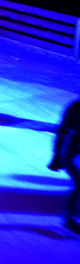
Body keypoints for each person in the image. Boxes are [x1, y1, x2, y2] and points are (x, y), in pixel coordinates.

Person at [50, 96, 80, 233]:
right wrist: (56, 156)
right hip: (74, 152)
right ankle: (69, 219)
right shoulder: (76, 108)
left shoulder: (75, 106)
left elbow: (63, 130)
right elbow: (63, 131)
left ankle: (69, 219)